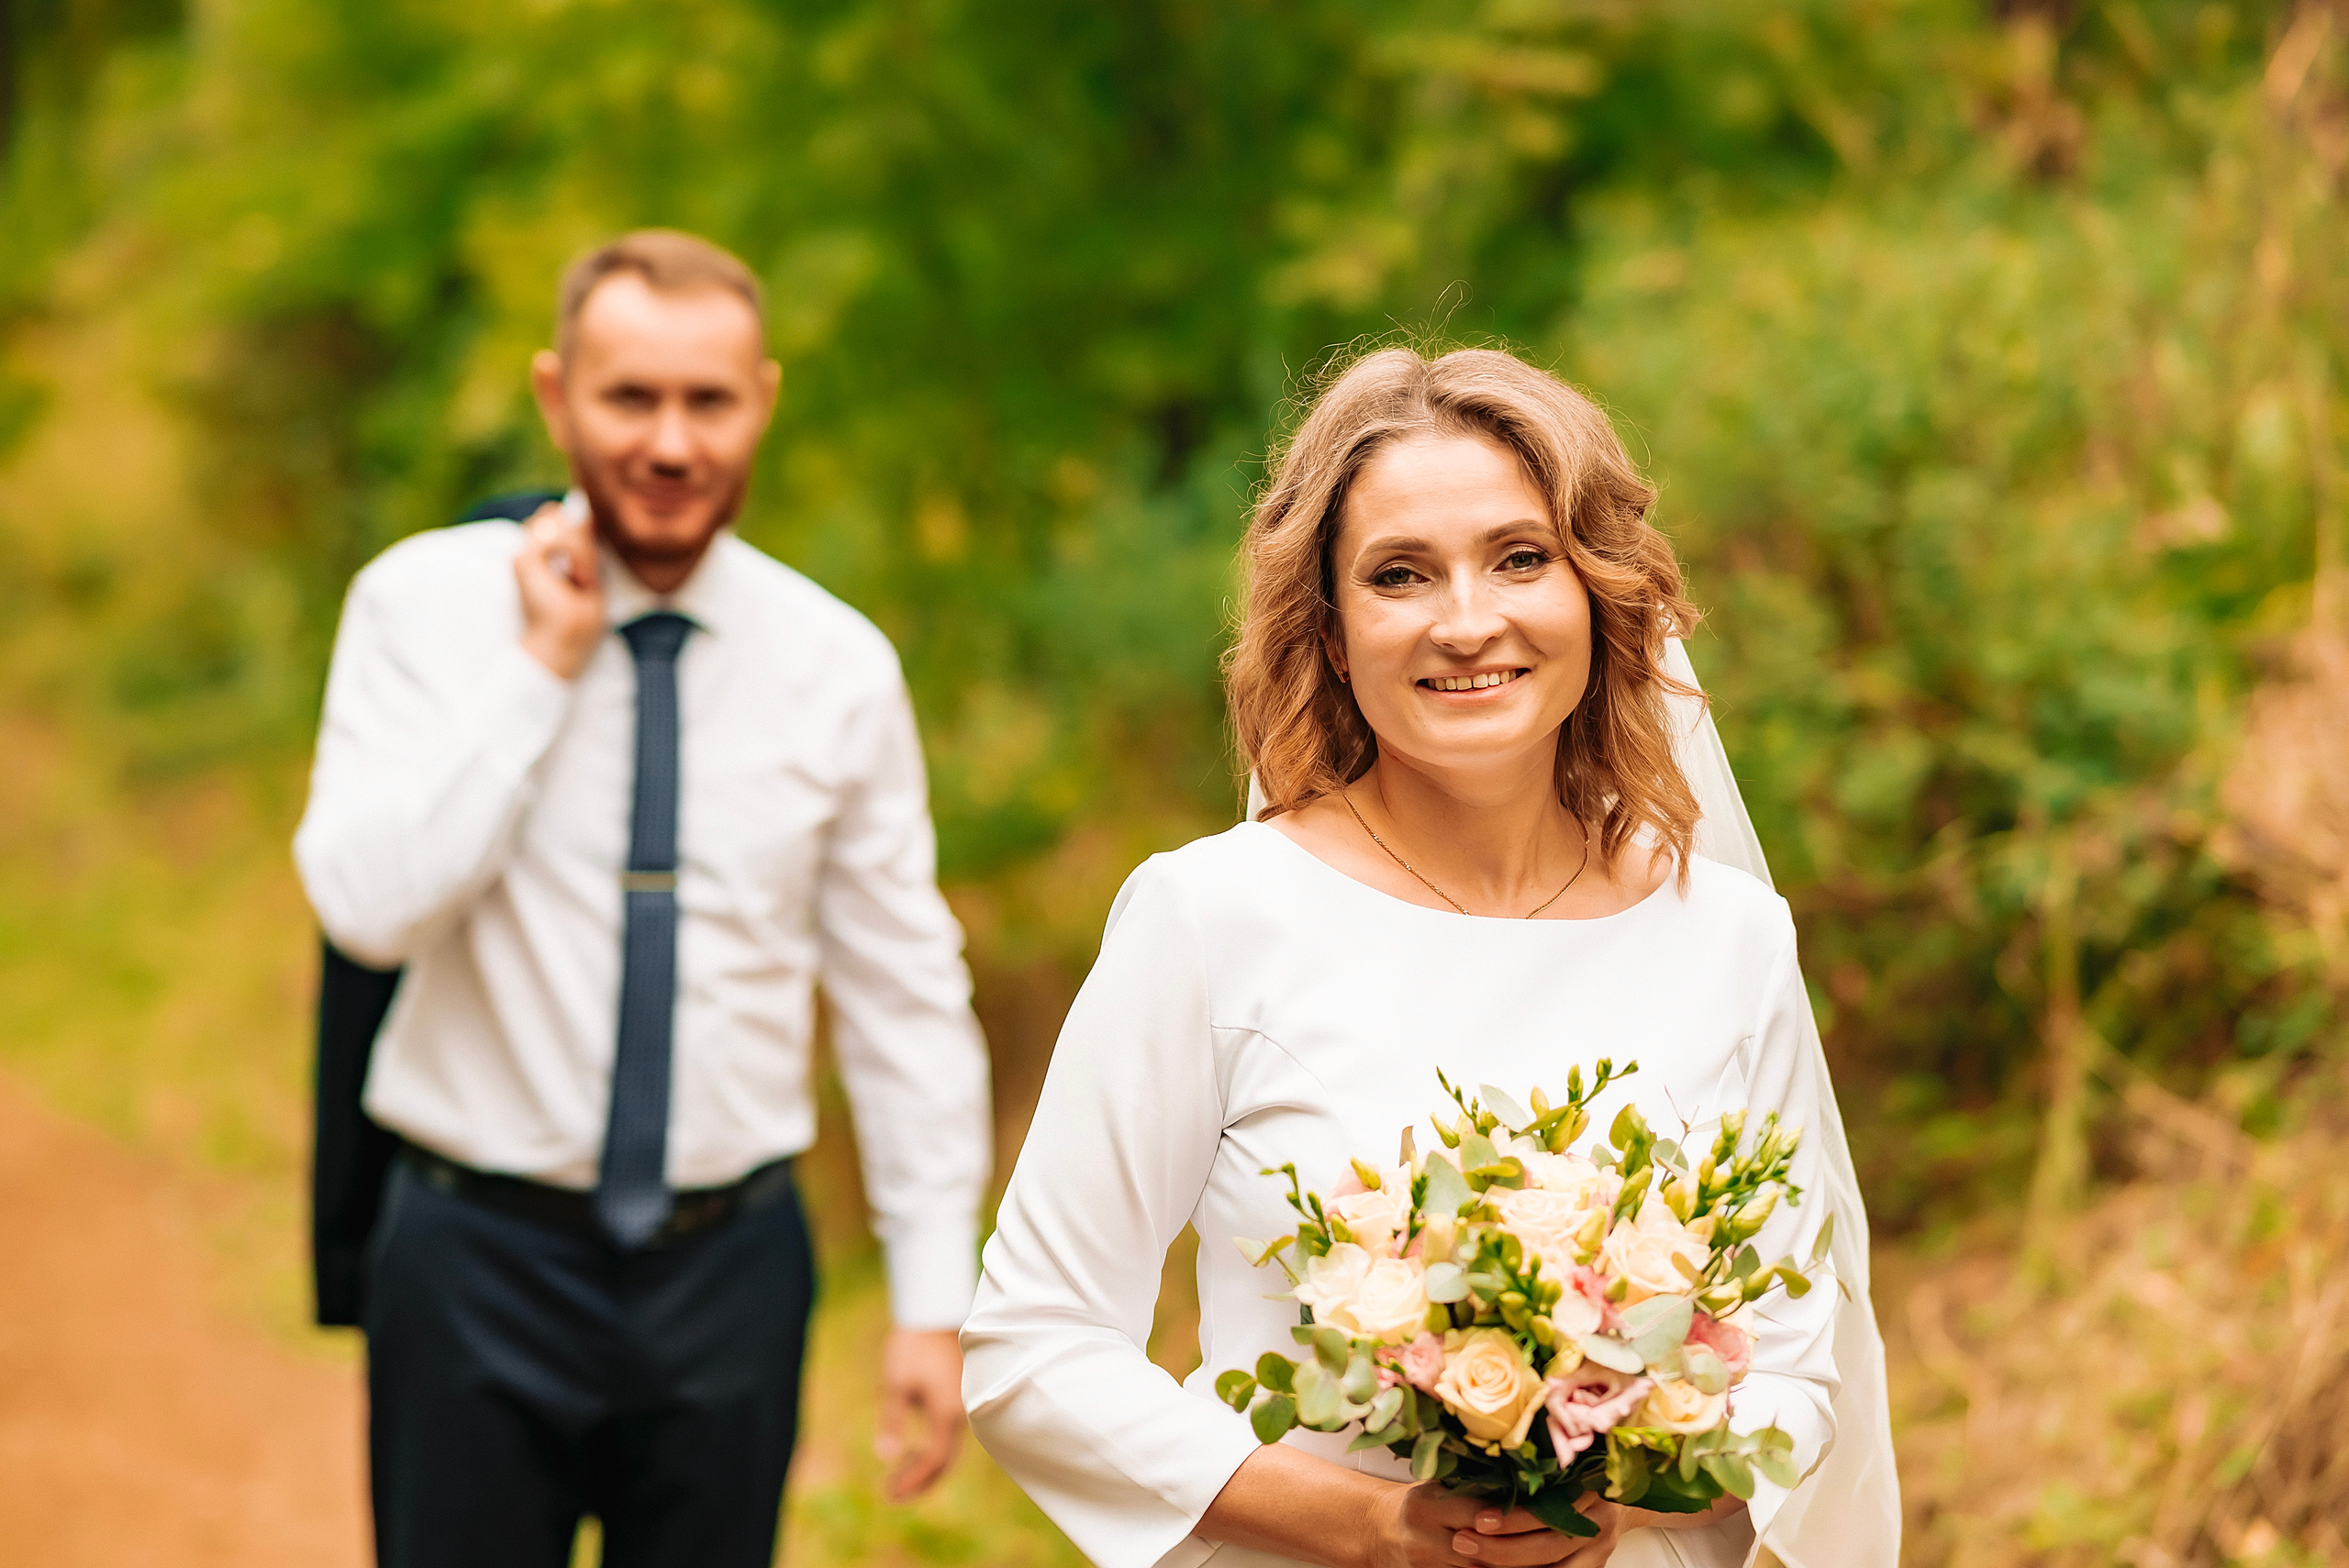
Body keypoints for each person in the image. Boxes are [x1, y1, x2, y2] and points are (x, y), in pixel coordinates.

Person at [960, 348, 1898, 1567]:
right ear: (1335, 634)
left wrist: (1616, 1484)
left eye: (1520, 556)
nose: (1469, 620)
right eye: (1400, 574)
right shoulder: (1210, 917)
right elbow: (1035, 1345)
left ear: (1600, 593)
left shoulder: (1729, 938)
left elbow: (1794, 1367)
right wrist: (1369, 1528)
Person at [294, 229, 992, 1568]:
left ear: (762, 405)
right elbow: (366, 908)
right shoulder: (420, 608)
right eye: (631, 398)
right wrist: (536, 678)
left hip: (728, 1272)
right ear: (558, 397)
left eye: (708, 402)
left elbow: (904, 994)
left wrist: (930, 1299)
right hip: (470, 1255)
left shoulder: (837, 667)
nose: (671, 443)